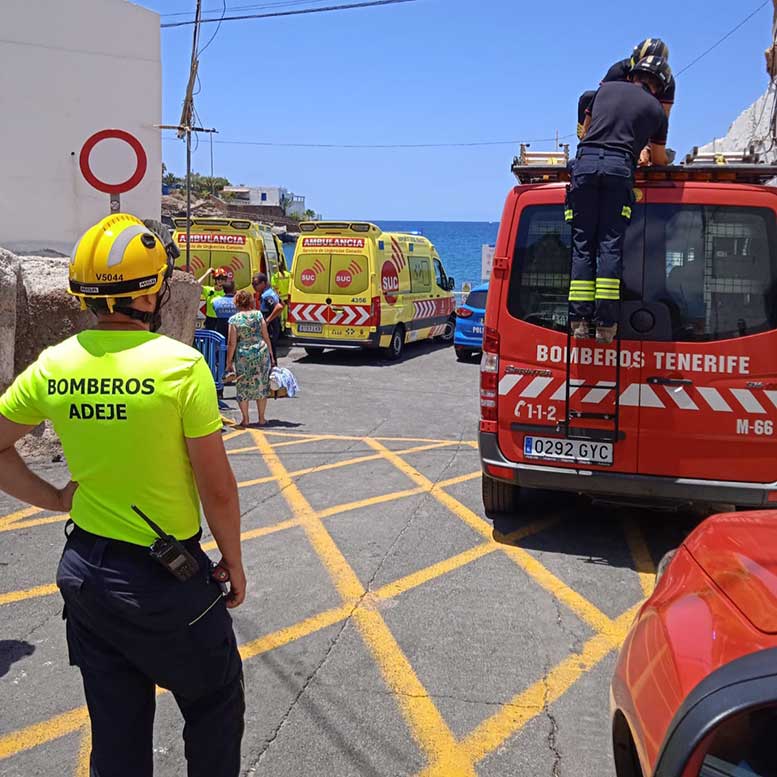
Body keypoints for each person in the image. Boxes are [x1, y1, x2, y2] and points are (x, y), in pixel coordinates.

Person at [0, 214, 246, 777]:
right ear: (151, 291)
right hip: (166, 579)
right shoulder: (180, 367)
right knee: (214, 703)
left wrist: (56, 499)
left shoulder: (55, 364)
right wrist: (232, 562)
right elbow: (218, 487)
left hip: (87, 573)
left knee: (115, 732)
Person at [567, 56, 670, 343]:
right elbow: (660, 159)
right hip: (619, 169)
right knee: (610, 246)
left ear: (633, 75)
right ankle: (606, 325)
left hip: (585, 165)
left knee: (583, 244)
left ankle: (578, 320)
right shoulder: (656, 110)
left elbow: (585, 130)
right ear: (659, 86)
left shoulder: (606, 89)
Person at [577, 38, 675, 142]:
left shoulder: (667, 83)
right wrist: (585, 135)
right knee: (588, 97)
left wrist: (649, 147)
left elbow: (663, 119)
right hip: (614, 110)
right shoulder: (619, 70)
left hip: (643, 117)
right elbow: (598, 99)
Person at [226, 290, 275, 427]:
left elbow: (232, 343)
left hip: (243, 355)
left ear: (236, 302)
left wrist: (228, 362)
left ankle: (245, 419)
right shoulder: (258, 315)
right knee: (261, 384)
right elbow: (266, 336)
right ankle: (261, 418)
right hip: (261, 351)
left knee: (242, 385)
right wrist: (271, 353)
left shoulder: (234, 320)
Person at [252, 272, 284, 362]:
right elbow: (282, 303)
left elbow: (279, 307)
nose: (254, 287)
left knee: (270, 353)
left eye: (256, 284)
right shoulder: (270, 292)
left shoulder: (267, 295)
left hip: (271, 328)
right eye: (253, 284)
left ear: (263, 283)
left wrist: (268, 320)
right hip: (273, 326)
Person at [197, 266, 229, 331]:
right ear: (215, 279)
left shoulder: (227, 292)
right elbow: (196, 284)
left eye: (222, 279)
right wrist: (207, 273)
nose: (220, 281)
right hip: (210, 321)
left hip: (222, 321)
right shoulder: (208, 290)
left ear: (225, 280)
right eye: (218, 279)